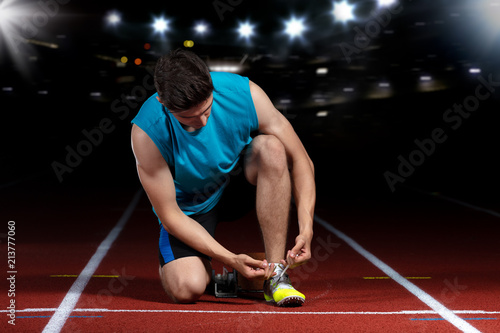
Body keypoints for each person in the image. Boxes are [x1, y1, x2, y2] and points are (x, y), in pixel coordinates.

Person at [131, 49, 315, 306]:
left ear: (211, 86)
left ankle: (276, 276)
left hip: (235, 183)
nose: (203, 121)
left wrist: (306, 227)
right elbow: (170, 215)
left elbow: (301, 160)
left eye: (206, 109)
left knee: (272, 148)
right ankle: (220, 278)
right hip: (189, 209)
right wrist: (230, 259)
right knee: (186, 288)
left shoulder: (244, 94)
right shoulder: (146, 132)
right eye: (188, 118)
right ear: (163, 102)